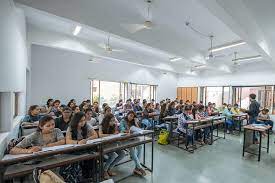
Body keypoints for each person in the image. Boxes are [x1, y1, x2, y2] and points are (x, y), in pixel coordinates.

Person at [120, 111, 146, 176]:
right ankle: (139, 167)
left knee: (140, 147)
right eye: (130, 115)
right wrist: (129, 131)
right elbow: (122, 130)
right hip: (125, 139)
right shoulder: (123, 121)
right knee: (132, 150)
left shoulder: (133, 122)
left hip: (133, 138)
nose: (131, 117)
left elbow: (139, 130)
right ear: (127, 114)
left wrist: (136, 123)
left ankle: (137, 168)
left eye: (133, 116)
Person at [100, 113, 126, 179]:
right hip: (104, 144)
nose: (113, 122)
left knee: (123, 153)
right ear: (107, 120)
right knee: (113, 155)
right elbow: (100, 135)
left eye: (114, 120)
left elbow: (115, 134)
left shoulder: (114, 125)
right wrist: (111, 135)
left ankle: (109, 168)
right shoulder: (101, 125)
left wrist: (116, 134)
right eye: (111, 121)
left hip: (112, 143)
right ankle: (104, 170)